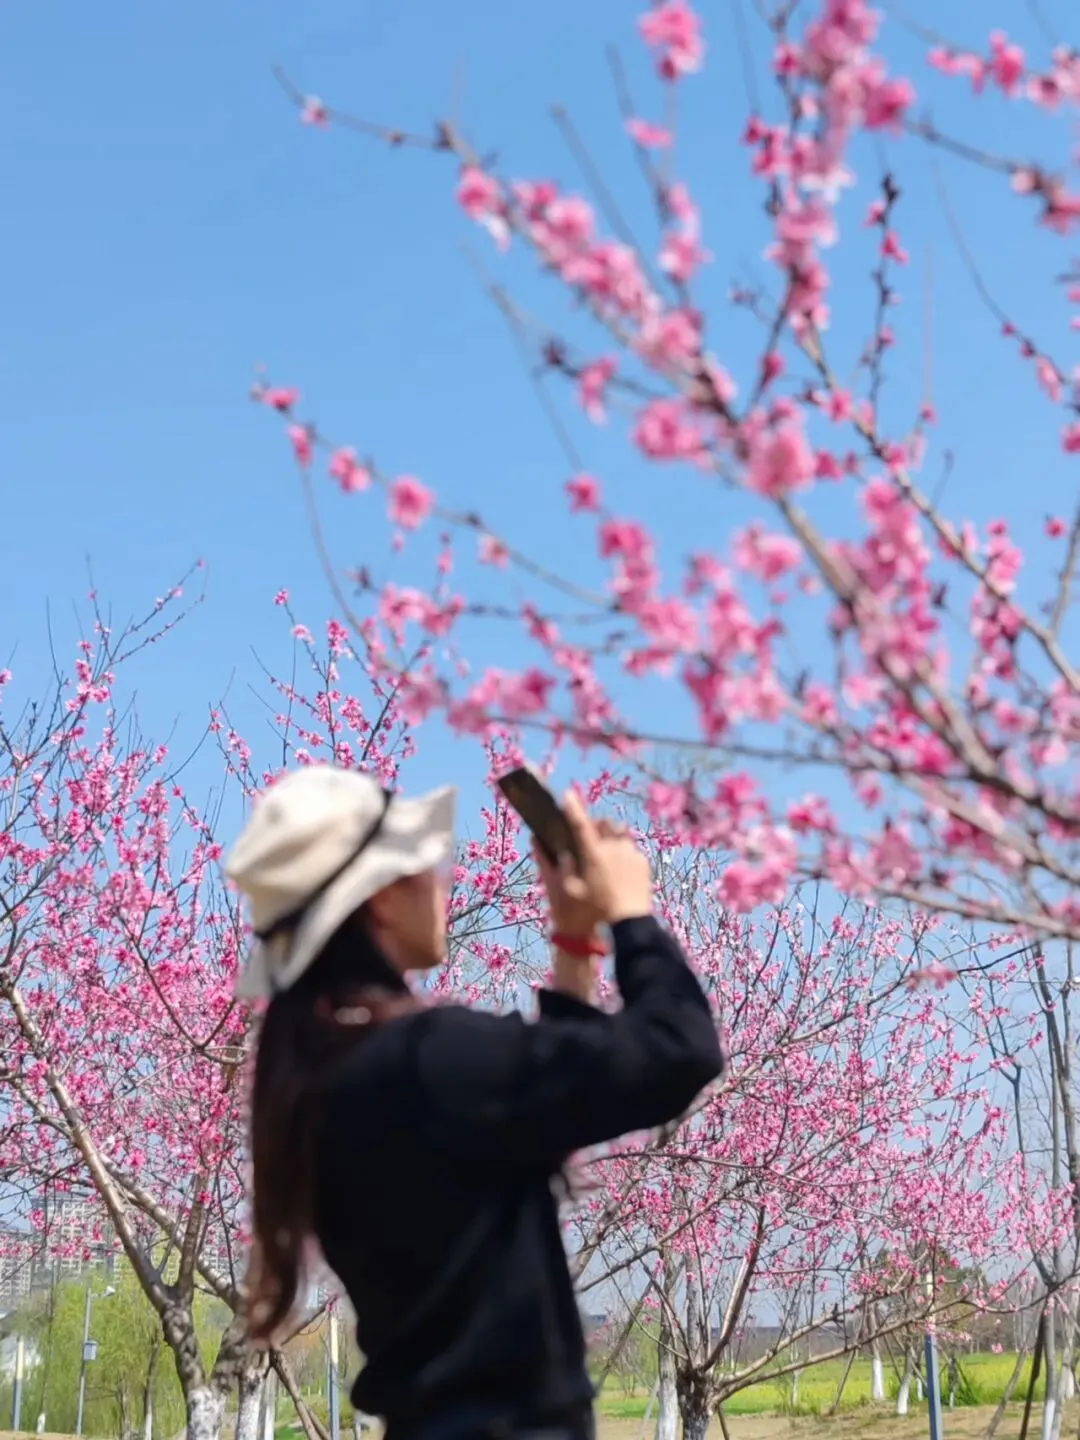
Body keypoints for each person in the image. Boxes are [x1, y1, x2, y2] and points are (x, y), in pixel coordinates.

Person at [227, 765, 724, 1440]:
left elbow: (541, 1115)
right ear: (379, 898)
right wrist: (631, 913)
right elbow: (678, 1051)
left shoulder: (328, 1074)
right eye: (429, 864)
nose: (446, 880)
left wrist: (575, 944)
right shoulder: (429, 1058)